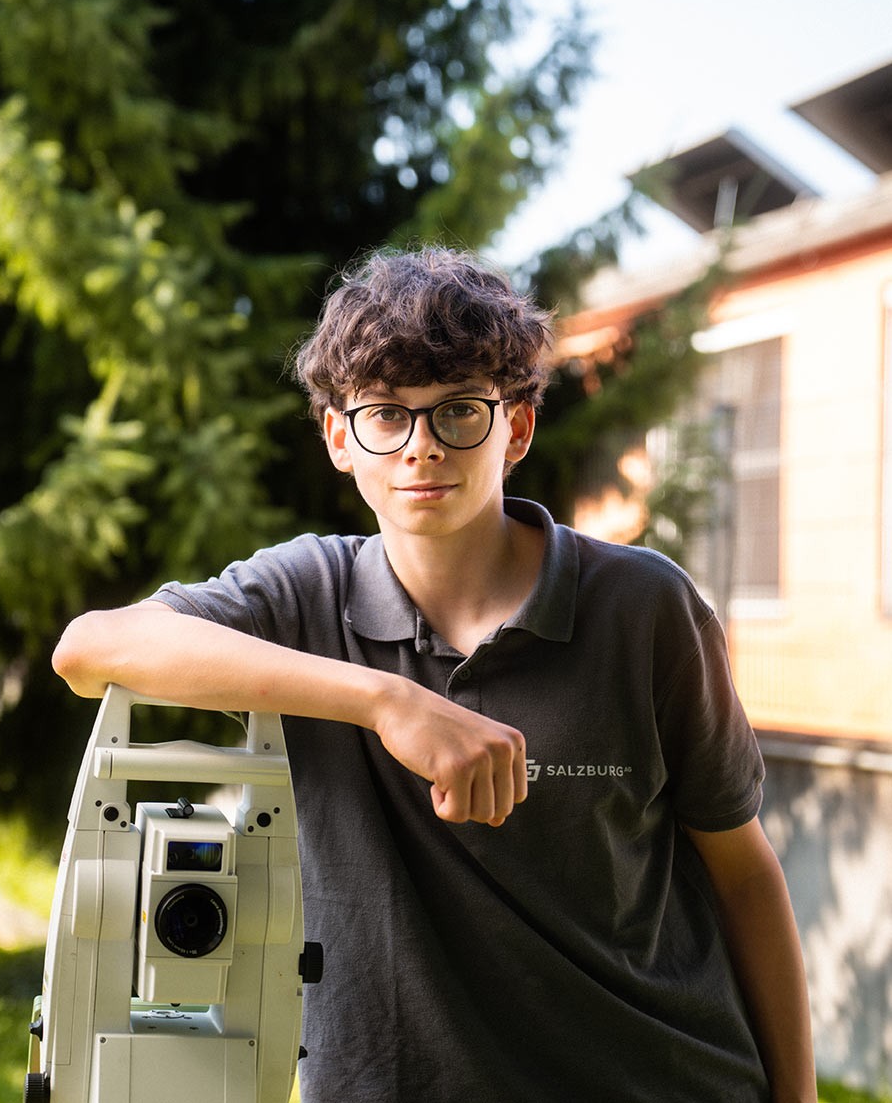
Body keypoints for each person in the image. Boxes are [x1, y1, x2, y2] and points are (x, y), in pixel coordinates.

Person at [52, 246, 817, 1102]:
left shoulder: (645, 608)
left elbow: (744, 875)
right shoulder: (305, 595)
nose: (421, 448)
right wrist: (387, 701)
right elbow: (89, 648)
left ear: (516, 428)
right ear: (340, 438)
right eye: (386, 414)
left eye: (458, 411)